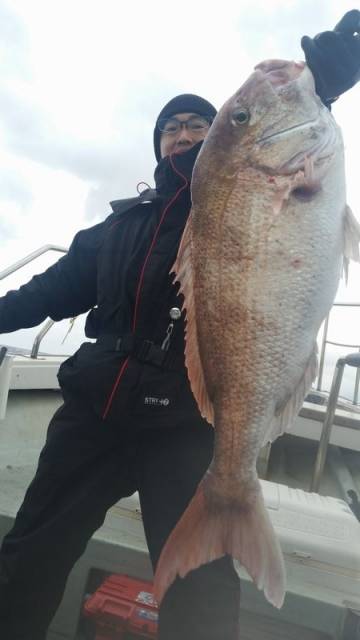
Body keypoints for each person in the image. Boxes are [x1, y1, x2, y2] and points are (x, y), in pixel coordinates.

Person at [0, 11, 359, 640]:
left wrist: (318, 88)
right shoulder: (116, 227)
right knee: (28, 554)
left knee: (199, 592)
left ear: (215, 145)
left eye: (200, 124)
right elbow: (45, 293)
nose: (184, 134)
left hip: (187, 426)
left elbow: (266, 158)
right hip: (95, 411)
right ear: (158, 145)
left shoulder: (225, 195)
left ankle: (229, 506)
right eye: (171, 127)